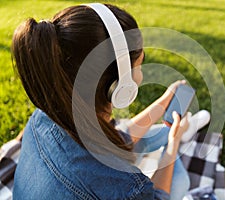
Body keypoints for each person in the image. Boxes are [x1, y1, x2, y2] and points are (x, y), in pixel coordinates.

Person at [11, 3, 209, 200]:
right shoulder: (129, 190)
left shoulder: (44, 115)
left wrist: (165, 101)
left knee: (160, 133)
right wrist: (173, 148)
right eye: (140, 63)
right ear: (119, 85)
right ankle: (177, 136)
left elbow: (114, 142)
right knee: (180, 181)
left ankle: (176, 130)